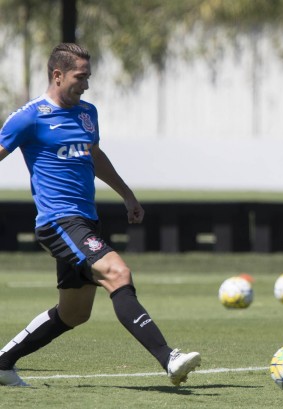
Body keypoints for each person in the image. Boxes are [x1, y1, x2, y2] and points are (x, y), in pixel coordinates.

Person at [0, 43, 201, 387]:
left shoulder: (87, 113)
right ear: (57, 75)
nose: (87, 84)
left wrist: (127, 195)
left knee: (74, 312)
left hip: (85, 219)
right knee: (117, 272)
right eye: (81, 77)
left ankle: (2, 364)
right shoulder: (29, 117)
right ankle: (168, 357)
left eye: (89, 77)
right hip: (58, 221)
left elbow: (94, 155)